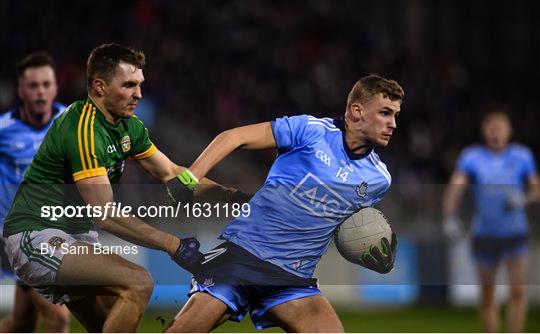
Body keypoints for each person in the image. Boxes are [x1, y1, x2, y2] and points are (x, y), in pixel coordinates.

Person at [2, 43, 242, 332]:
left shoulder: (130, 127)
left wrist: (236, 197)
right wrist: (171, 243)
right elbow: (105, 214)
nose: (138, 94)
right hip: (37, 234)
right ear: (99, 87)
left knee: (109, 324)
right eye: (128, 85)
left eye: (139, 85)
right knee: (138, 282)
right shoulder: (82, 128)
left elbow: (172, 174)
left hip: (76, 239)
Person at [166, 74, 403, 332]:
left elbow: (348, 226)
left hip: (293, 280)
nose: (392, 124)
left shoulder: (379, 179)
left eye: (395, 116)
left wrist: (374, 248)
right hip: (243, 258)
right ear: (357, 111)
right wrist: (191, 177)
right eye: (385, 113)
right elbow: (234, 137)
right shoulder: (310, 131)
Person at [442, 111, 540, 332]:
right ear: (484, 131)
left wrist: (524, 198)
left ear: (509, 131)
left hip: (515, 232)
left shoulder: (522, 156)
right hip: (485, 233)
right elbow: (456, 187)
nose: (495, 132)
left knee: (518, 291)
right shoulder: (472, 157)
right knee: (488, 294)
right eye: (491, 128)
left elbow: (536, 189)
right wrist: (449, 216)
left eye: (500, 128)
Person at [0, 52, 70, 332]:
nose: (40, 91)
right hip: (16, 237)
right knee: (58, 317)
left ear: (54, 88)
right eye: (33, 85)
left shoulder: (71, 124)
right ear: (21, 90)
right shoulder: (4, 129)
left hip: (57, 235)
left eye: (46, 84)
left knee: (22, 324)